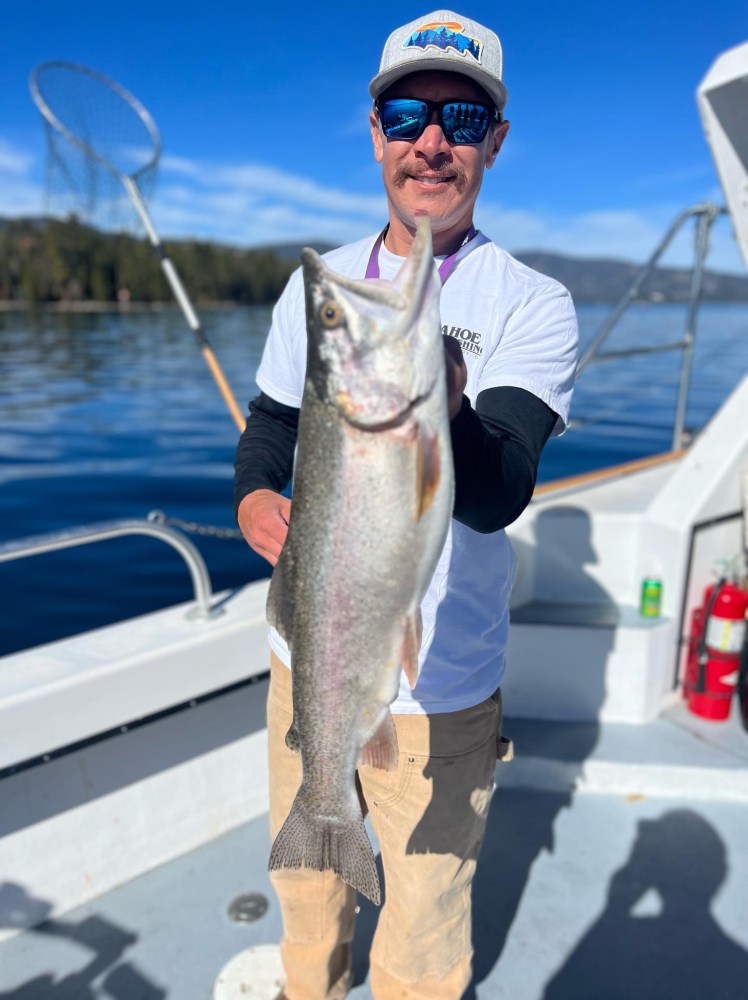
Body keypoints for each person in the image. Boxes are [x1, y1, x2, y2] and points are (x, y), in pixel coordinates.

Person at [234, 10, 578, 1000]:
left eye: (462, 118)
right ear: (376, 128)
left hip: (444, 692)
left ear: (494, 141)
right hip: (311, 654)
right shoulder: (326, 289)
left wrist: (443, 398)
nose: (431, 141)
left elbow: (498, 491)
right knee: (307, 893)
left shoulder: (530, 303)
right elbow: (267, 422)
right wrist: (256, 493)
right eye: (407, 112)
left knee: (422, 946)